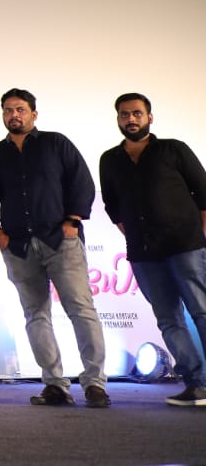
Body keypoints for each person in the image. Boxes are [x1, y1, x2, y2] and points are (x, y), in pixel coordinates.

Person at [0, 88, 109, 408]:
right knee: (35, 314)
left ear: (33, 114)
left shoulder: (55, 143)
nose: (14, 115)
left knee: (80, 309)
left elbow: (82, 182)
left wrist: (73, 222)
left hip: (60, 240)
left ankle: (95, 383)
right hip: (18, 245)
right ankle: (54, 385)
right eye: (8, 110)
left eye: (20, 109)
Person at [99, 92, 206, 408]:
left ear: (149, 117)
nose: (131, 119)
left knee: (201, 311)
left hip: (185, 245)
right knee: (168, 320)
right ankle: (197, 384)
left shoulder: (173, 149)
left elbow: (203, 192)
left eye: (137, 113)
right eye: (124, 114)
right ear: (118, 119)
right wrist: (136, 232)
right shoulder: (110, 159)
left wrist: (200, 235)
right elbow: (113, 206)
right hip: (144, 253)